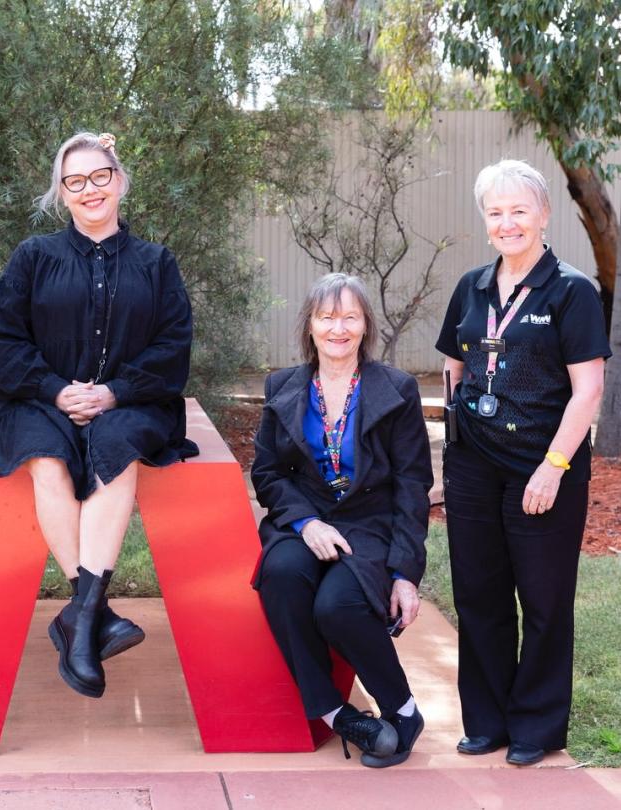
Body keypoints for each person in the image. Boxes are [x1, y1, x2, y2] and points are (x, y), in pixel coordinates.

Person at [0, 131, 196, 699]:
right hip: (35, 401)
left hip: (131, 403)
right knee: (47, 460)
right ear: (62, 195)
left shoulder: (156, 263)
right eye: (75, 181)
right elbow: (2, 340)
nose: (90, 189)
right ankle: (92, 615)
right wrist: (55, 390)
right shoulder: (34, 258)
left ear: (119, 182)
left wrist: (114, 393)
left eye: (100, 176)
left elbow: (173, 347)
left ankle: (78, 619)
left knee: (118, 449)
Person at [436, 159, 609, 766]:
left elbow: (588, 391)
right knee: (478, 595)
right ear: (485, 222)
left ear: (542, 215)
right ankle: (486, 721)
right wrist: (455, 440)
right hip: (474, 469)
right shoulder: (472, 287)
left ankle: (536, 725)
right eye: (496, 212)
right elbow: (454, 364)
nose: (507, 223)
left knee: (542, 598)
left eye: (518, 210)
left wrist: (553, 465)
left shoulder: (571, 290)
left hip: (544, 467)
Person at [251, 273, 432, 768]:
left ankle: (403, 710)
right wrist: (306, 522)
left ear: (365, 325)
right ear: (310, 326)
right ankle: (336, 714)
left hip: (369, 524)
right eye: (327, 317)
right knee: (282, 576)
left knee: (337, 608)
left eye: (350, 316)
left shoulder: (396, 389)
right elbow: (267, 473)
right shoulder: (282, 387)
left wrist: (404, 574)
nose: (339, 327)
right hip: (305, 520)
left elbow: (414, 486)